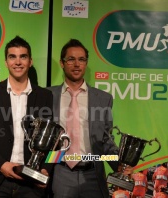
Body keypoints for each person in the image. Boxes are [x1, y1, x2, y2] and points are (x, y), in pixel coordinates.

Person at [47, 38, 132, 198]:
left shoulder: (103, 98)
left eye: (81, 59)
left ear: (86, 63)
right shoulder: (47, 95)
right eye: (71, 59)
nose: (77, 64)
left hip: (92, 175)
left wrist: (119, 164)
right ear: (62, 63)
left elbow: (106, 139)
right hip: (59, 173)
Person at [0, 36, 53, 198]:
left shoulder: (44, 96)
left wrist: (46, 169)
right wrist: (1, 165)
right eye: (12, 57)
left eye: (23, 57)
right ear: (6, 62)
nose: (18, 62)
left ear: (30, 61)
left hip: (31, 184)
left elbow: (51, 140)